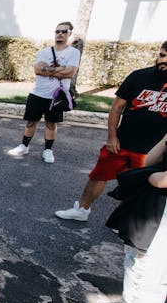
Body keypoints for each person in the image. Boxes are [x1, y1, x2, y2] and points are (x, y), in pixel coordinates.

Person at [55, 41, 167, 222]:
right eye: (162, 55)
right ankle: (82, 210)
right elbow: (116, 108)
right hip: (122, 142)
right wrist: (112, 136)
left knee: (141, 188)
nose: (164, 60)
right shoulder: (139, 77)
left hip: (154, 151)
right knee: (98, 176)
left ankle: (127, 223)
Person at [100, 133, 167, 303]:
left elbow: (162, 181)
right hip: (155, 202)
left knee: (154, 267)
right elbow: (151, 160)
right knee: (135, 251)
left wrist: (149, 176)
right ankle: (130, 300)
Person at [7, 22, 81, 164]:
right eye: (57, 31)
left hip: (56, 96)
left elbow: (70, 73)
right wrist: (60, 69)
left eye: (64, 31)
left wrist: (47, 69)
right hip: (38, 94)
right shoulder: (44, 52)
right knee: (31, 122)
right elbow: (37, 70)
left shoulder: (73, 52)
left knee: (51, 124)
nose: (60, 33)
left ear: (69, 34)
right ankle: (24, 146)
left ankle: (48, 150)